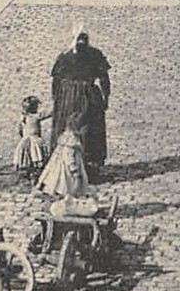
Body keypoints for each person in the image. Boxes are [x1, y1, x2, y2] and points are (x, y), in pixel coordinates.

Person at [51, 27, 112, 179]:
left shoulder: (65, 56)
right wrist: (105, 97)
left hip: (71, 96)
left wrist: (57, 99)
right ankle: (84, 164)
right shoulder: (94, 54)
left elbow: (56, 81)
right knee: (87, 128)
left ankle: (74, 164)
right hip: (84, 96)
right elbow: (104, 79)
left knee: (77, 128)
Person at [36, 120, 89, 198]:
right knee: (66, 182)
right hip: (66, 167)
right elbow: (69, 157)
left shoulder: (66, 137)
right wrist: (73, 169)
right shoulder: (71, 141)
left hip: (61, 163)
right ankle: (65, 194)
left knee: (61, 180)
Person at [12, 95, 50, 178]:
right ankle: (34, 174)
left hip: (25, 140)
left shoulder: (23, 118)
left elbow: (19, 130)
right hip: (34, 139)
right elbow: (47, 114)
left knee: (28, 156)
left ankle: (30, 173)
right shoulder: (35, 117)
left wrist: (24, 137)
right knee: (36, 155)